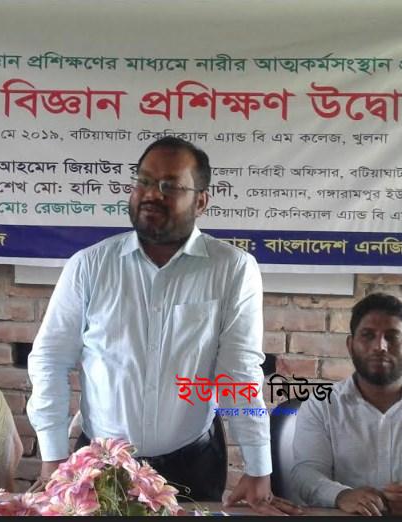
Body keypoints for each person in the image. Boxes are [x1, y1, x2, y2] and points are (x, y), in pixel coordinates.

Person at [28, 137, 299, 515]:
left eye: (170, 186)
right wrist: (53, 456)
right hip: (100, 467)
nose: (152, 194)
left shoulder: (232, 269)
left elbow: (238, 373)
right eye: (144, 181)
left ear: (201, 201)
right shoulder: (90, 266)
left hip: (193, 465)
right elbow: (50, 360)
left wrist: (258, 467)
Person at [290, 292, 402, 515]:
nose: (380, 346)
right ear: (350, 345)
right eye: (368, 336)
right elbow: (306, 473)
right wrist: (341, 495)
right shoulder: (321, 405)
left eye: (392, 337)